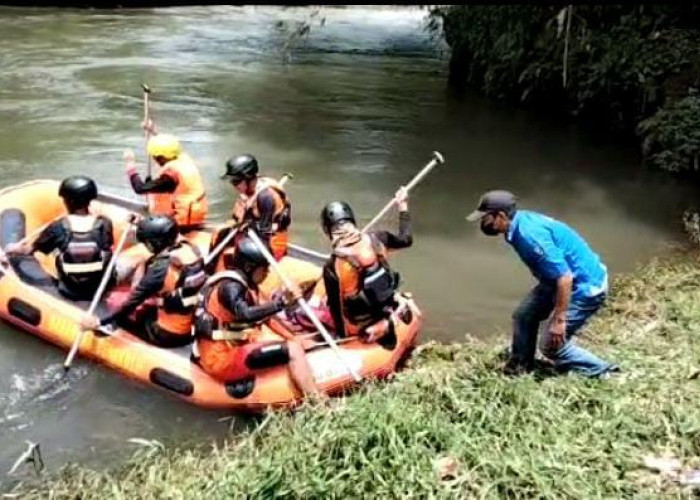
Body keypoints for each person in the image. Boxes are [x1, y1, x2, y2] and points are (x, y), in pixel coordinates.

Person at [466, 190, 618, 377]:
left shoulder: (529, 236)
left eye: (486, 218)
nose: (483, 224)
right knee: (524, 316)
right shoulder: (518, 224)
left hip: (585, 288)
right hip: (555, 280)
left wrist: (559, 319)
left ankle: (602, 370)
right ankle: (521, 365)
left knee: (551, 346)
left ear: (501, 216)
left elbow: (565, 277)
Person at [192, 237, 321, 397]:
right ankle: (319, 402)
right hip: (221, 359)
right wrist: (280, 304)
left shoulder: (247, 285)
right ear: (249, 267)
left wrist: (293, 337)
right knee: (292, 350)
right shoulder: (229, 289)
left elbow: (267, 316)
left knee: (294, 343)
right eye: (264, 268)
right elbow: (246, 314)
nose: (267, 272)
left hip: (235, 346)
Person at [80, 215, 206, 348]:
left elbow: (132, 302)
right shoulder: (192, 250)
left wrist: (100, 322)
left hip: (165, 333)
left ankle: (108, 328)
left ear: (156, 243)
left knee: (119, 305)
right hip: (188, 328)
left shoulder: (160, 270)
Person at [320, 187, 411, 342]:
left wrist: (342, 338)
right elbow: (406, 239)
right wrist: (403, 205)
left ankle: (383, 325)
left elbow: (337, 310)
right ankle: (393, 316)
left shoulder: (332, 266)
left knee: (322, 306)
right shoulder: (378, 238)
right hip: (384, 306)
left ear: (328, 231)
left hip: (360, 325)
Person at [5, 176, 114, 301]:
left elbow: (28, 251)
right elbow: (106, 246)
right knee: (136, 259)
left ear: (69, 201)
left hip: (69, 289)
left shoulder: (58, 227)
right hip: (100, 286)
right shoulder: (105, 223)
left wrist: (10, 248)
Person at [124, 128, 207, 231]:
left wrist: (130, 165)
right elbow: (169, 146)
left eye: (155, 157)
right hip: (196, 215)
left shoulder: (171, 177)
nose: (154, 160)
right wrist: (153, 131)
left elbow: (140, 188)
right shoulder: (182, 158)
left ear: (161, 158)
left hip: (182, 221)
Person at [213, 154, 291, 263]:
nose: (233, 185)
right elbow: (240, 217)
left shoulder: (265, 198)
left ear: (248, 179)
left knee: (239, 251)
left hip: (270, 243)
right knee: (219, 233)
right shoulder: (249, 192)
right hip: (253, 231)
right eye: (232, 181)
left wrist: (245, 230)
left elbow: (264, 235)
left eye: (236, 181)